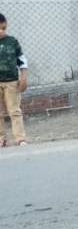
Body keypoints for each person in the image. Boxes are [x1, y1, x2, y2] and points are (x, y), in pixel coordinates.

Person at [0, 13, 29, 147]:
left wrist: (24, 78)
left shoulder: (12, 42)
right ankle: (1, 139)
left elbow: (22, 61)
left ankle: (20, 138)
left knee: (15, 111)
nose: (1, 31)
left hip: (11, 82)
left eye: (4, 28)